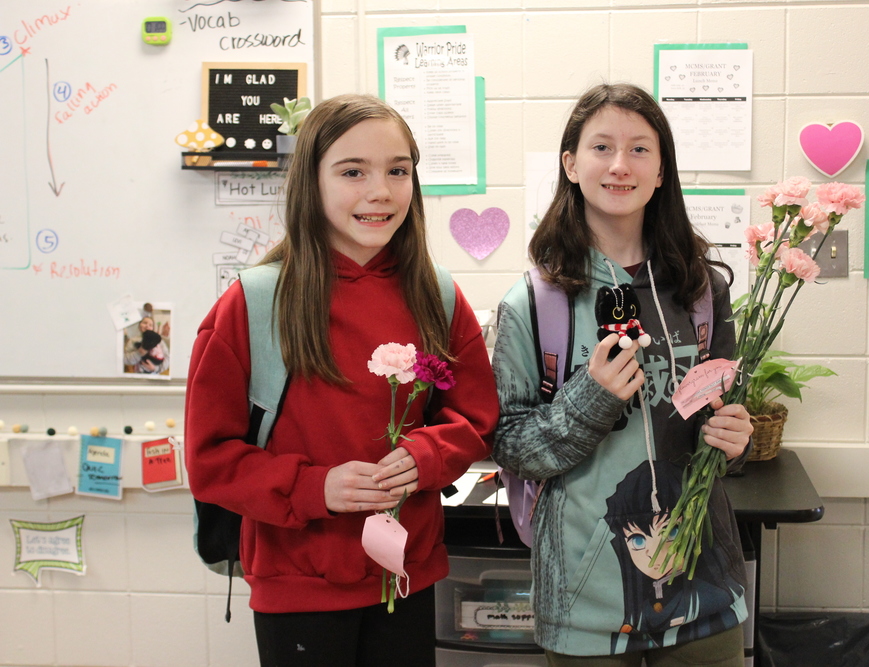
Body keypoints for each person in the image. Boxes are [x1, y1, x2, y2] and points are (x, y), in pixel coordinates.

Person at [184, 94, 498, 667]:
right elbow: (210, 461)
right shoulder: (254, 303)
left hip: (405, 574)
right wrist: (313, 488)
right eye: (353, 171)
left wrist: (427, 454)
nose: (380, 190)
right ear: (312, 181)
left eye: (398, 171)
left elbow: (474, 419)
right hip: (298, 584)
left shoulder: (438, 293)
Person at [491, 83, 754, 666]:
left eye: (639, 149)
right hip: (586, 595)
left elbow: (721, 426)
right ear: (571, 163)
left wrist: (736, 439)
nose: (619, 165)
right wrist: (591, 398)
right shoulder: (534, 303)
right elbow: (509, 444)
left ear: (661, 170)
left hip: (705, 582)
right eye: (602, 147)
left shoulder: (702, 290)